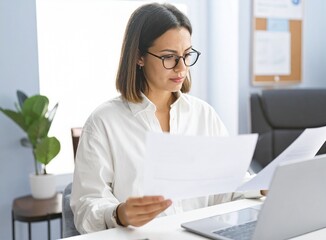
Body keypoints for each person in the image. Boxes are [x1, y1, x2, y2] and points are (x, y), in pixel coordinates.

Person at [70, 3, 263, 234]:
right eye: (169, 57)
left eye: (187, 55)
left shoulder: (204, 115)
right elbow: (85, 208)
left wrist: (262, 188)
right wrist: (119, 213)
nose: (182, 68)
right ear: (139, 57)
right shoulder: (104, 122)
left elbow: (231, 184)